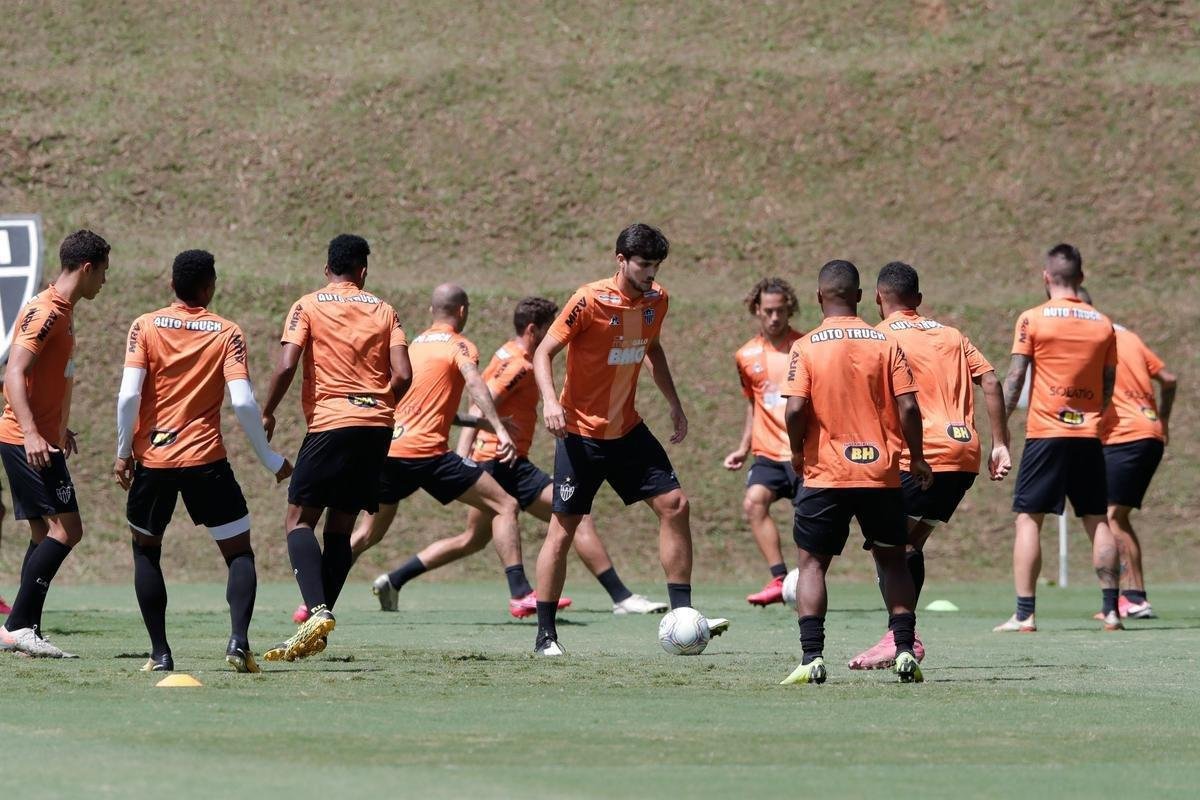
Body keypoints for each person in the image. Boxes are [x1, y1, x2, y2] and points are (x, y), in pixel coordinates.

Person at [530, 222, 728, 656]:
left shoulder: (657, 299)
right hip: (580, 434)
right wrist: (550, 402)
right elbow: (543, 352)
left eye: (656, 265)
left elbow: (651, 347)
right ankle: (545, 635)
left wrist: (674, 403)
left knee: (675, 505)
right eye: (643, 264)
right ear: (621, 260)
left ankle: (683, 615)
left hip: (627, 430)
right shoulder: (588, 300)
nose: (651, 273)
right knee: (562, 531)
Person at [113, 250, 292, 673]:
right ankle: (238, 643)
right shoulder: (227, 332)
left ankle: (160, 654)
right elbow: (243, 402)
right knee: (239, 553)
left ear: (172, 285)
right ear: (209, 288)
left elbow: (128, 395)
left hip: (154, 460)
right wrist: (270, 459)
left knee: (146, 552)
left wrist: (123, 452)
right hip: (205, 460)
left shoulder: (145, 325)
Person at [351, 284, 570, 617]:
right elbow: (477, 385)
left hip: (391, 449)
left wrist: (478, 424)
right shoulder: (461, 345)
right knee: (505, 505)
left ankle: (313, 598)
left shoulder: (413, 347)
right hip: (429, 454)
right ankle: (520, 593)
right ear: (463, 311)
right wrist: (498, 428)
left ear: (431, 311)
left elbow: (426, 408)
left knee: (367, 533)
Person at [456, 297, 668, 615]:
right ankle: (616, 597)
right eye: (550, 328)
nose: (557, 334)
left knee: (473, 539)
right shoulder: (520, 365)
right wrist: (463, 455)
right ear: (533, 330)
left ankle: (395, 578)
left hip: (502, 458)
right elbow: (478, 407)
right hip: (499, 460)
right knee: (571, 517)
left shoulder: (507, 352)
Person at [847, 261, 1011, 670]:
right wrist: (1001, 445)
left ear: (878, 298)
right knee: (909, 545)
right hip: (964, 455)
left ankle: (902, 637)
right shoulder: (952, 335)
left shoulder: (880, 336)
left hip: (920, 456)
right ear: (918, 299)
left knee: (886, 548)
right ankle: (901, 635)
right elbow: (992, 381)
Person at [778, 259, 932, 686]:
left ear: (818, 297)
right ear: (861, 296)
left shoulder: (806, 346)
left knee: (812, 564)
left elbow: (794, 408)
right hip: (880, 474)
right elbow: (909, 407)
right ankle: (904, 649)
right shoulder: (886, 343)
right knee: (893, 559)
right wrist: (918, 457)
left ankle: (812, 657)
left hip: (826, 473)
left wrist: (797, 451)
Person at [259, 234, 411, 662]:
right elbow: (403, 374)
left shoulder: (308, 305)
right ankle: (316, 623)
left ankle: (318, 611)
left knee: (298, 521)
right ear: (363, 271)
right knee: (341, 527)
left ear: (327, 269)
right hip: (377, 426)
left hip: (331, 422)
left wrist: (267, 412)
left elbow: (287, 364)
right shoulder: (385, 309)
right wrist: (376, 405)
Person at [995, 244, 1122, 632]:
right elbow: (1108, 385)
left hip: (1046, 433)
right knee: (1098, 519)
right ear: (1081, 278)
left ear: (1046, 277)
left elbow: (1015, 378)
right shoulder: (1103, 324)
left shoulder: (1032, 319)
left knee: (1029, 519)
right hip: (1087, 433)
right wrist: (1091, 416)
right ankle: (1112, 610)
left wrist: (1001, 431)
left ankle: (1025, 614)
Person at [0, 230, 109, 657]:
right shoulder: (46, 311)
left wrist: (60, 426)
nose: (104, 282)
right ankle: (17, 625)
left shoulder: (62, 309)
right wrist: (32, 432)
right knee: (68, 530)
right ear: (87, 268)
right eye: (102, 273)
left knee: (43, 532)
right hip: (26, 440)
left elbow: (48, 377)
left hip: (40, 437)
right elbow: (13, 372)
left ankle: (25, 629)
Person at [1079, 288, 1176, 620]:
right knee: (1117, 516)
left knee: (1111, 516)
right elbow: (1169, 379)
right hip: (1148, 432)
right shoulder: (1128, 336)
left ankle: (1133, 599)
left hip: (1125, 436)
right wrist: (1163, 420)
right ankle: (1132, 597)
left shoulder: (1092, 339)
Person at [724, 278, 804, 606]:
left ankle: (810, 578)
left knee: (809, 518)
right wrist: (743, 448)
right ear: (756, 309)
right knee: (754, 503)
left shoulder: (806, 347)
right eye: (768, 311)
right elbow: (753, 403)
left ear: (789, 310)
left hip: (802, 451)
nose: (774, 317)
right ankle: (779, 578)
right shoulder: (745, 355)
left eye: (780, 311)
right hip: (767, 452)